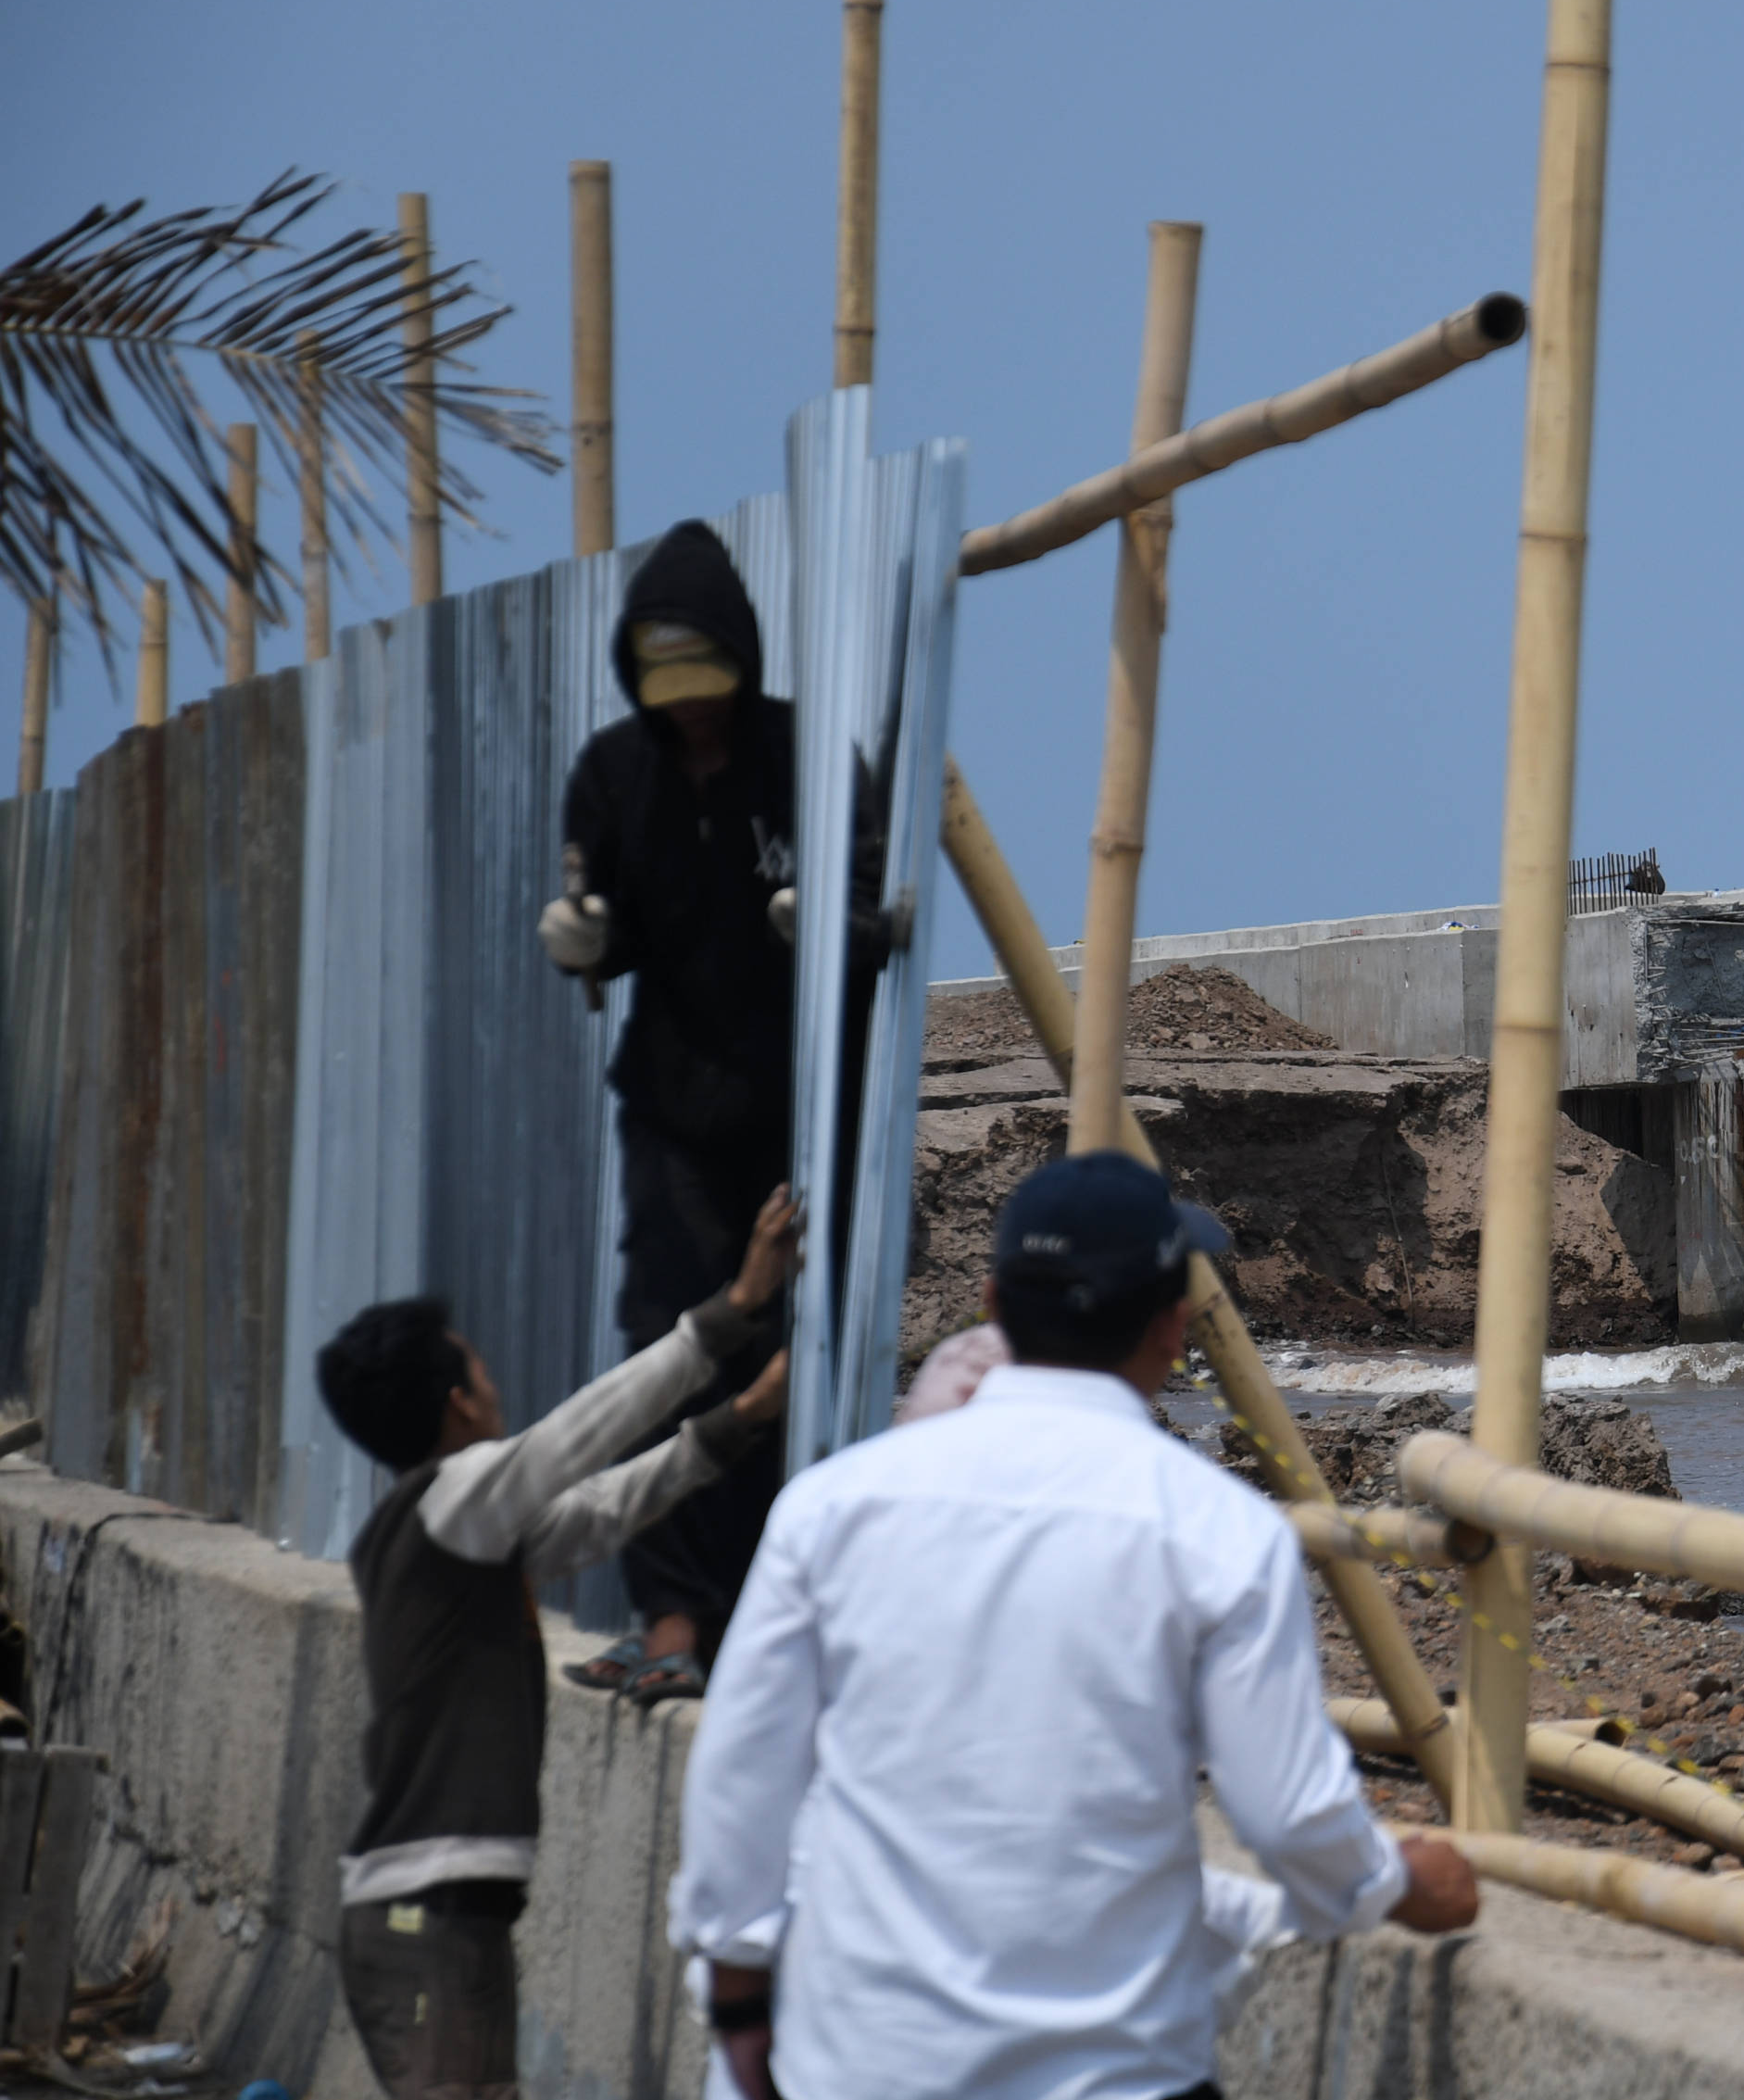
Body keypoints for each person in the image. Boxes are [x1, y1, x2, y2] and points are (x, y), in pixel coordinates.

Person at [671, 1152, 1477, 2100]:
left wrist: (738, 2005)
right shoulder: (1220, 1533)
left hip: (857, 2062)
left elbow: (742, 1778)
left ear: (993, 1303)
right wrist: (1397, 1882)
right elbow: (1286, 1813)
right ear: (1173, 1326)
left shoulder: (831, 1508)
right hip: (1113, 2073)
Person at [317, 1187, 800, 2100]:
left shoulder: (443, 1535)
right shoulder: (453, 1498)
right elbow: (577, 1440)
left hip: (436, 1916)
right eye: (483, 1373)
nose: (498, 1387)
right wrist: (727, 1317)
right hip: (425, 1920)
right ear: (459, 1401)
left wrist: (742, 1419)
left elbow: (601, 1511)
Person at [541, 521, 802, 1704]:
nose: (693, 714)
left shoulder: (795, 758)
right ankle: (671, 1620)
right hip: (670, 1110)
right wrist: (586, 944)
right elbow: (601, 915)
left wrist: (828, 924)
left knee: (789, 1360)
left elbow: (865, 901)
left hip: (791, 1108)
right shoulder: (614, 771)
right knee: (668, 1342)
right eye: (672, 694)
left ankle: (765, 1617)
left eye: (711, 691)